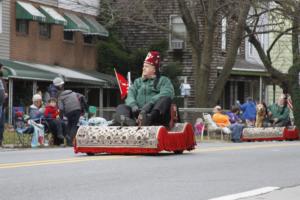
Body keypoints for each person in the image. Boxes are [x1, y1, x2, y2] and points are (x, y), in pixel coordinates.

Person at [114, 51, 175, 126]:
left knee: (165, 99)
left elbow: (168, 92)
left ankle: (148, 119)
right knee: (121, 107)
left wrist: (150, 103)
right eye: (143, 66)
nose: (143, 68)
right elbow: (130, 93)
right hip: (138, 113)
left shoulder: (164, 80)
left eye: (146, 66)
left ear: (154, 69)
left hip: (156, 115)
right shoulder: (138, 81)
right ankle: (127, 121)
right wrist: (133, 105)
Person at [56, 77, 82, 146]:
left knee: (70, 125)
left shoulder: (60, 97)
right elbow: (80, 98)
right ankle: (70, 141)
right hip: (78, 109)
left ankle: (69, 142)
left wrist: (60, 117)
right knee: (73, 125)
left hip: (69, 111)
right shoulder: (73, 93)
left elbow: (60, 108)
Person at [0, 63, 7, 147]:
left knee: (1, 125)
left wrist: (4, 94)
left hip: (2, 105)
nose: (3, 70)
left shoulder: (2, 80)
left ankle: (0, 140)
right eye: (2, 68)